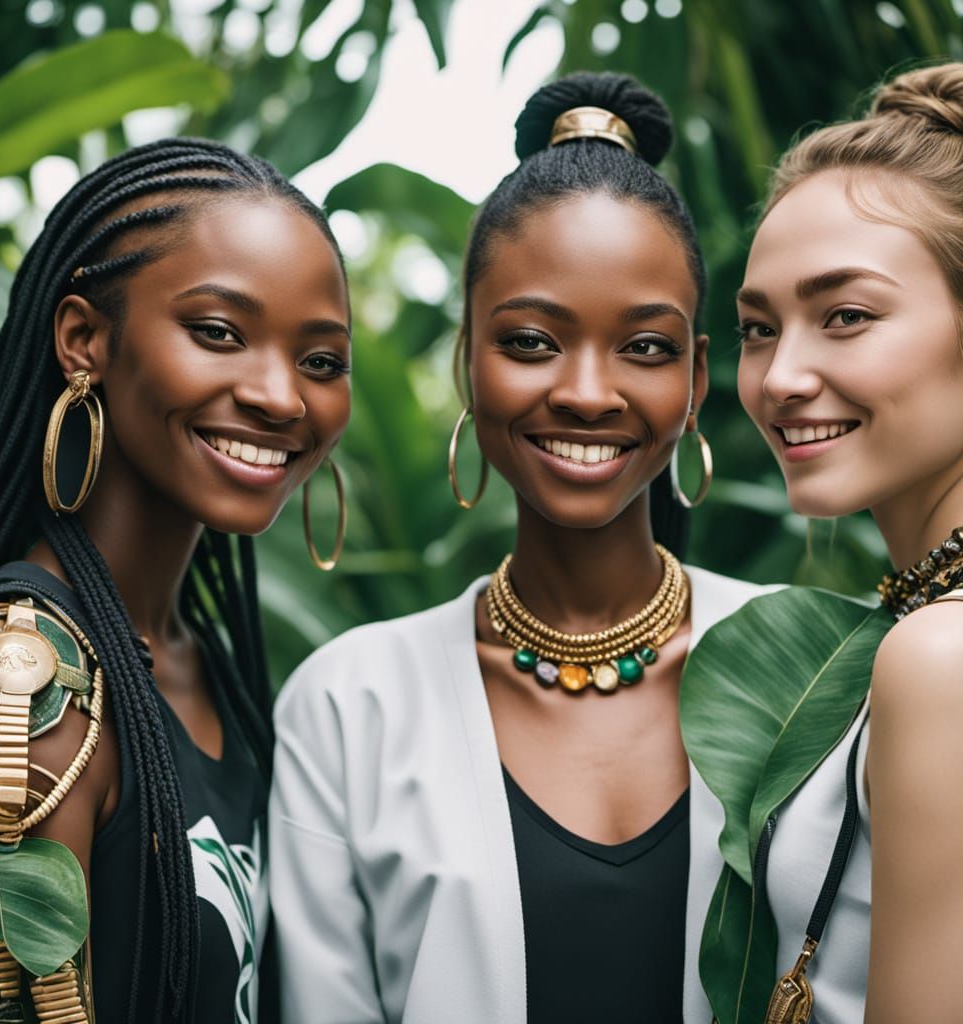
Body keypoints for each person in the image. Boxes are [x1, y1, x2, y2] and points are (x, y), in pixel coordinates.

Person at [269, 72, 767, 1024]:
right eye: (532, 341)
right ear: (468, 360)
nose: (586, 391)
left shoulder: (812, 677)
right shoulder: (347, 708)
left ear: (699, 378)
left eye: (647, 347)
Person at [0, 137, 351, 1024]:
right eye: (218, 333)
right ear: (84, 339)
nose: (283, 397)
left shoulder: (212, 672)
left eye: (320, 360)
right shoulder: (22, 672)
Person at [734, 63, 963, 1023]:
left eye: (846, 317)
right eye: (756, 328)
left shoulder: (938, 656)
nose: (782, 376)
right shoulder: (914, 625)